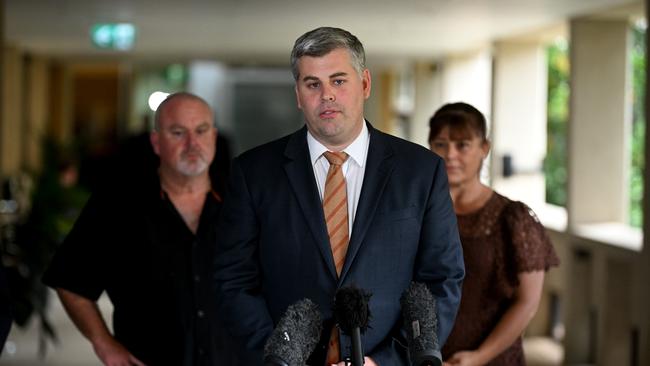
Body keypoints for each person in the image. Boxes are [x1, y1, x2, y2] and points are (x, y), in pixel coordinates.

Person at [214, 26, 465, 366]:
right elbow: (234, 280)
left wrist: (390, 360)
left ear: (364, 84)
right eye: (312, 84)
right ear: (298, 94)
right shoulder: (252, 173)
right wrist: (278, 357)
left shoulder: (421, 171)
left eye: (338, 80)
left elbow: (442, 278)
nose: (326, 95)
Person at [42, 92, 236, 366]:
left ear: (214, 137)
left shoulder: (245, 202)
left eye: (201, 131)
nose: (193, 144)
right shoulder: (117, 206)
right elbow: (69, 281)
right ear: (156, 142)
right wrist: (104, 344)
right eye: (178, 132)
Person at [428, 102, 560, 366]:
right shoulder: (417, 213)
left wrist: (480, 357)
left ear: (484, 148)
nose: (450, 154)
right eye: (441, 144)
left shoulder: (513, 218)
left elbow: (527, 303)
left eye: (462, 144)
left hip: (493, 359)